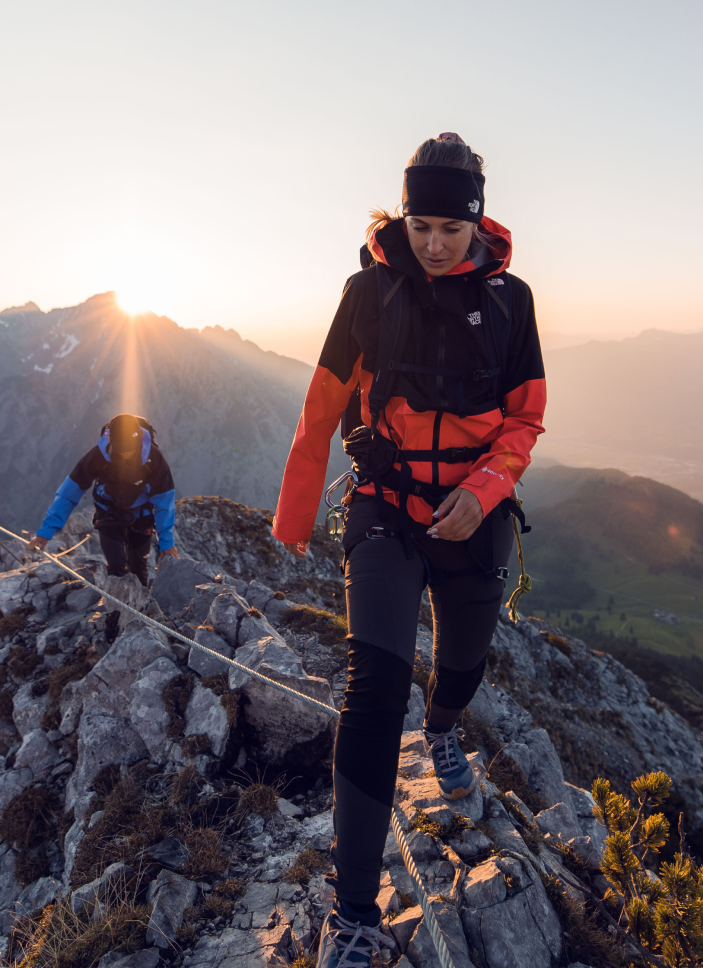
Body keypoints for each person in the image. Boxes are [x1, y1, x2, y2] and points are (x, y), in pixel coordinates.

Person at [273, 133, 547, 966]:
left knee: (464, 656)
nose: (433, 244)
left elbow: (525, 418)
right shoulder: (368, 292)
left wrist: (485, 492)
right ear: (402, 216)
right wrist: (291, 518)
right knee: (373, 684)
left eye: (449, 230)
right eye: (420, 225)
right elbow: (322, 407)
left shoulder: (510, 302)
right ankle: (352, 910)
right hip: (385, 507)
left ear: (477, 225)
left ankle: (445, 728)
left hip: (473, 511)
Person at [28, 413, 179, 584]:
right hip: (108, 513)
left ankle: (138, 605)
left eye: (131, 448)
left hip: (142, 516)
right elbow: (68, 493)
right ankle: (116, 608)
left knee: (139, 570)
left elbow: (164, 502)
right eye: (123, 450)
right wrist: (46, 532)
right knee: (116, 565)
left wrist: (166, 543)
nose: (127, 454)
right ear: (113, 443)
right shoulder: (99, 455)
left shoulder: (154, 458)